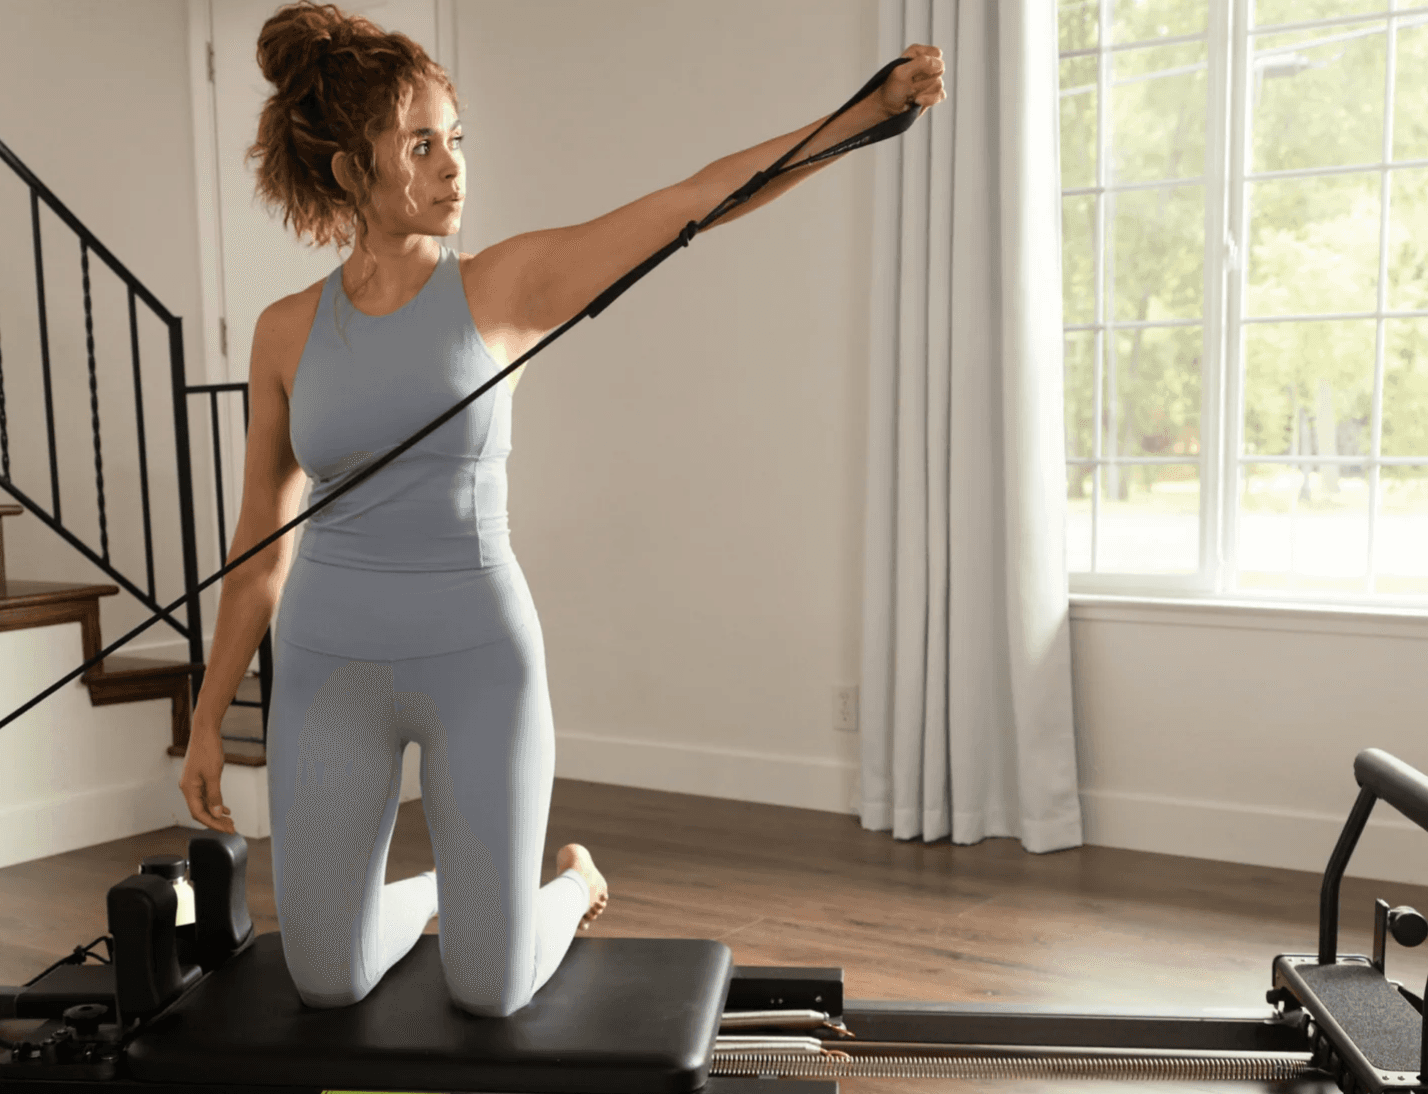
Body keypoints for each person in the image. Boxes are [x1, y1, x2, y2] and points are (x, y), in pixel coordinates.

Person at [180, 0, 946, 1017]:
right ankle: (456, 887)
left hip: (475, 659)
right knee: (325, 978)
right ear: (346, 170)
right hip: (330, 669)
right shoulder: (283, 334)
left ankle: (569, 885)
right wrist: (205, 719)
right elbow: (258, 550)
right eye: (421, 144)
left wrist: (863, 116)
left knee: (490, 991)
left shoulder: (504, 287)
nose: (455, 165)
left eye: (456, 139)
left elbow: (697, 201)